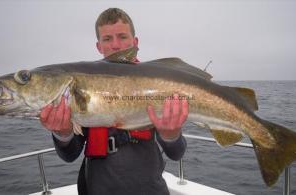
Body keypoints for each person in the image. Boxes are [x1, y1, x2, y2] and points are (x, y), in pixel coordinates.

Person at [40, 8, 188, 195]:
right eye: (107, 39)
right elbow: (69, 155)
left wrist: (171, 135)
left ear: (135, 42)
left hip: (151, 189)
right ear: (99, 46)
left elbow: (177, 153)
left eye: (123, 37)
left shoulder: (159, 87)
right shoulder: (81, 88)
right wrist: (63, 133)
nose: (116, 45)